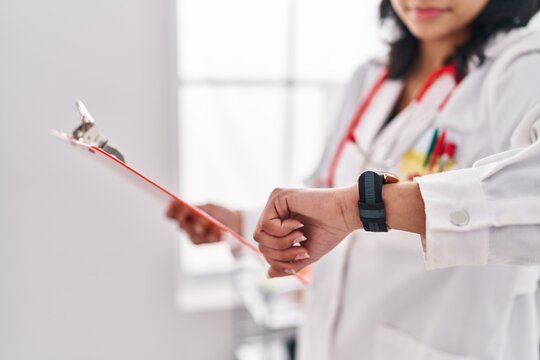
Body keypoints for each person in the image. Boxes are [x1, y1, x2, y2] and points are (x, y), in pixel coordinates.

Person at [167, 1, 540, 359]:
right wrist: (241, 223)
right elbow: (323, 194)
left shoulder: (524, 68)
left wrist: (357, 209)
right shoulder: (371, 76)